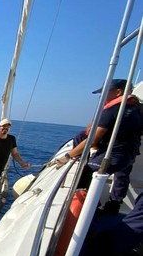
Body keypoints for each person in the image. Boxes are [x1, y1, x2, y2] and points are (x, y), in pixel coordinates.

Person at [55, 79, 143, 215]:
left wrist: (67, 156)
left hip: (113, 154)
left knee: (86, 173)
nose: (103, 96)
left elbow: (92, 139)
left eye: (105, 92)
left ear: (119, 92)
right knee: (122, 176)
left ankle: (88, 211)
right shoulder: (136, 109)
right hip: (129, 154)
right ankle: (113, 206)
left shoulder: (114, 110)